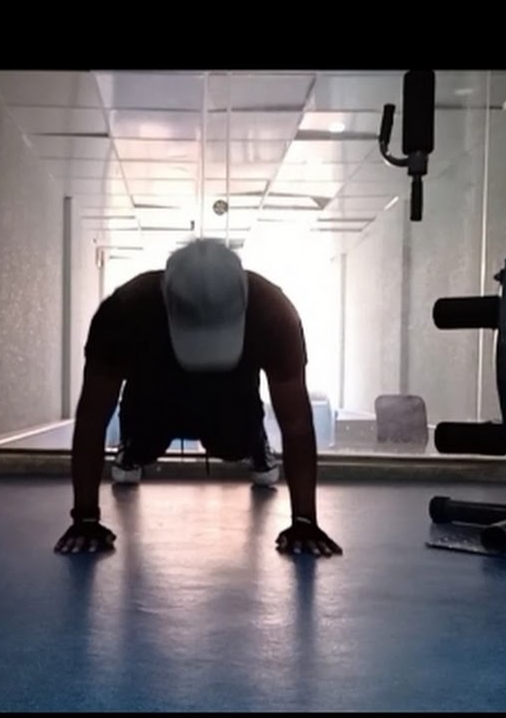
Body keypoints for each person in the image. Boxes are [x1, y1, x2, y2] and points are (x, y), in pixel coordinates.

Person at [53, 238, 343, 558]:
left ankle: (254, 442)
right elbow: (92, 418)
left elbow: (297, 424)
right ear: (166, 297)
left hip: (230, 398)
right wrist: (85, 518)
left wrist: (304, 521)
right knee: (144, 445)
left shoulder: (273, 314)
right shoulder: (124, 311)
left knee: (233, 445)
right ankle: (131, 447)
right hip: (155, 394)